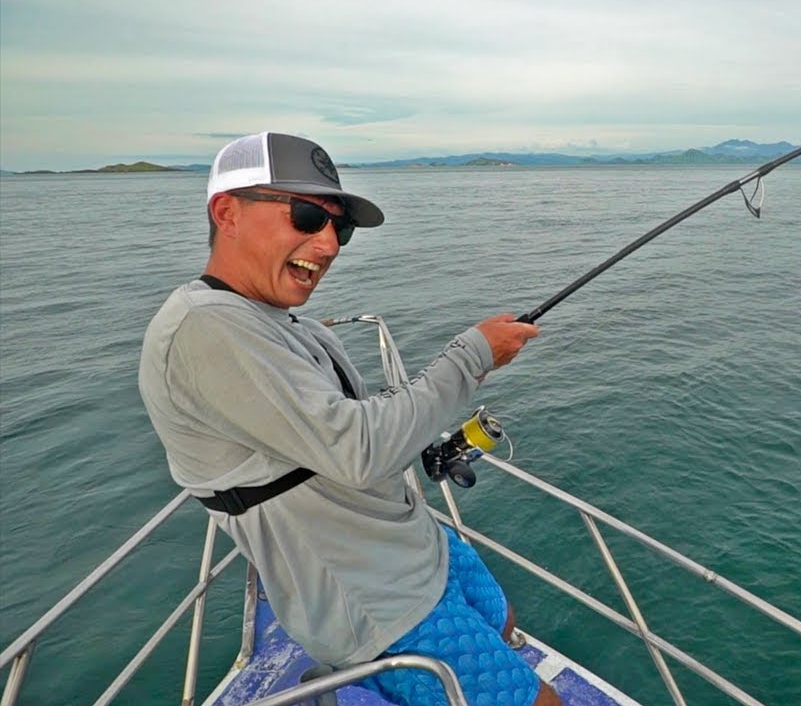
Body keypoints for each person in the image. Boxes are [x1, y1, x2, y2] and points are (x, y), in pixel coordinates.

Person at [137, 132, 557, 706]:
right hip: (373, 598)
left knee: (501, 623)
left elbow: (359, 422)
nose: (329, 243)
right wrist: (472, 355)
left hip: (410, 544)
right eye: (308, 216)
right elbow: (359, 449)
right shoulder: (205, 327)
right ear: (226, 213)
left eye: (341, 227)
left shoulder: (284, 322)